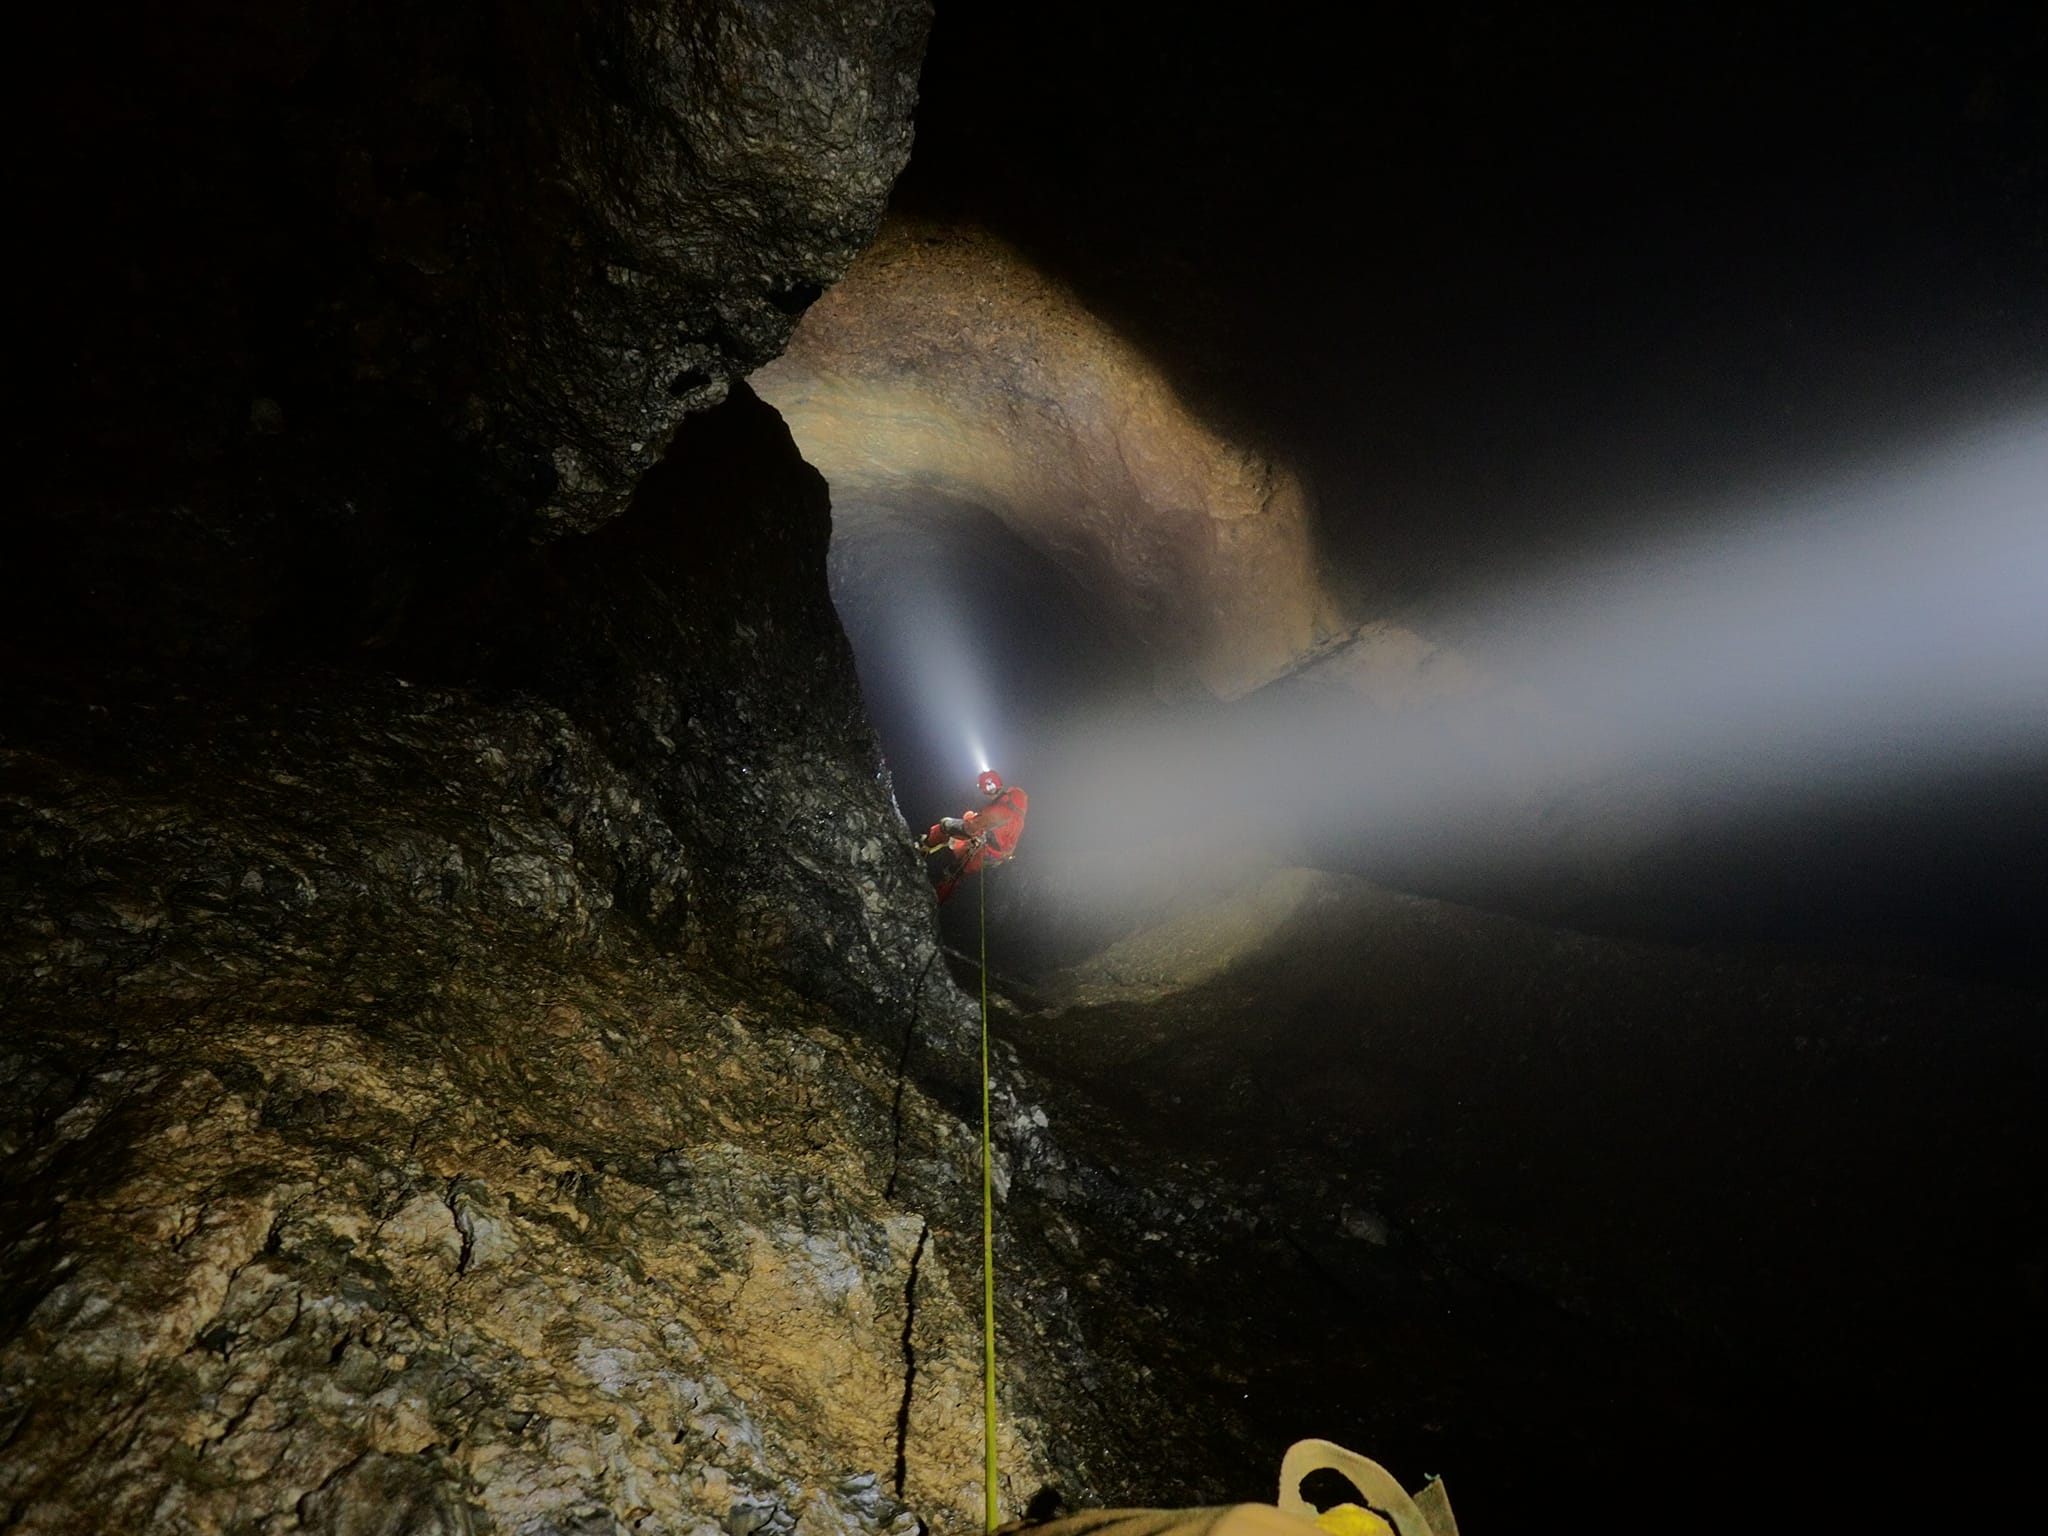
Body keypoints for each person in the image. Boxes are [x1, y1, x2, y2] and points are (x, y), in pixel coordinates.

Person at [920, 768, 1028, 902]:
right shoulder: (1018, 796)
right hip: (1000, 854)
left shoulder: (992, 813)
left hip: (983, 850)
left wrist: (968, 817)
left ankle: (924, 846)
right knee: (956, 870)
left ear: (983, 791)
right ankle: (935, 900)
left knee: (945, 826)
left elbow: (970, 828)